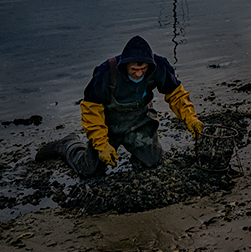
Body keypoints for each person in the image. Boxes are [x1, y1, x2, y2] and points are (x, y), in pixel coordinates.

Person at [35, 35, 204, 176]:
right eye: (134, 69)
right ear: (125, 65)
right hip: (108, 124)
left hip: (140, 122)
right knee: (89, 171)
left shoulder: (159, 66)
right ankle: (68, 144)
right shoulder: (106, 71)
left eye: (143, 69)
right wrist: (101, 144)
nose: (138, 74)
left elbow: (176, 94)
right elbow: (91, 109)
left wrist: (190, 118)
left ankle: (139, 154)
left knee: (152, 164)